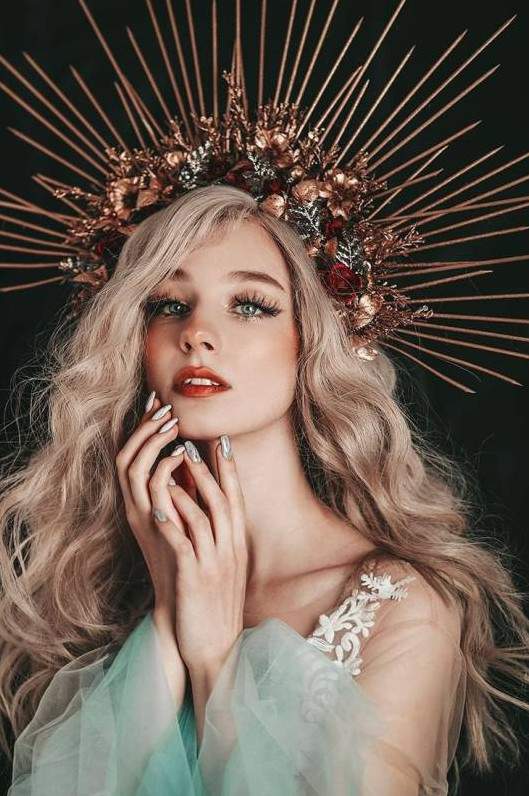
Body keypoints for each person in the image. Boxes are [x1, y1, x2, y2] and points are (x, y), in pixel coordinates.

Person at [0, 184, 528, 794]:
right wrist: (167, 620)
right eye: (168, 304)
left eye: (250, 304)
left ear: (312, 340)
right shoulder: (105, 590)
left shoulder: (401, 604)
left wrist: (215, 660)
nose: (197, 333)